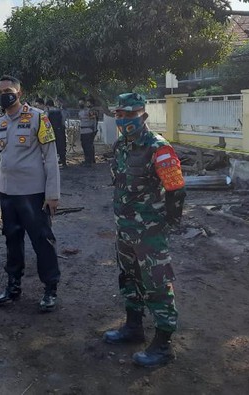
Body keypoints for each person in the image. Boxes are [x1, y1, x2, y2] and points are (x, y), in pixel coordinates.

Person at [102, 93, 185, 367]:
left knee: (158, 285)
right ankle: (133, 327)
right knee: (129, 279)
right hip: (124, 229)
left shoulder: (158, 147)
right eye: (120, 114)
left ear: (143, 115)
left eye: (129, 114)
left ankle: (163, 344)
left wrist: (168, 222)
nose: (124, 119)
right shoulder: (121, 146)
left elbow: (176, 188)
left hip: (149, 233)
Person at [0, 75, 61, 312]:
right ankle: (13, 287)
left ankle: (50, 289)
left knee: (42, 242)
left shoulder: (38, 118)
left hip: (33, 194)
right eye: (0, 92)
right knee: (12, 242)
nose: (3, 95)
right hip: (8, 194)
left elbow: (50, 158)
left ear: (20, 93)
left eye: (8, 90)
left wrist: (52, 194)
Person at [46, 99, 67, 167]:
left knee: (53, 147)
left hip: (52, 131)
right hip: (60, 130)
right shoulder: (59, 111)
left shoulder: (48, 112)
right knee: (61, 146)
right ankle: (63, 161)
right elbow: (63, 120)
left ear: (48, 106)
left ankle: (55, 162)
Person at [78, 98, 97, 166]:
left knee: (88, 146)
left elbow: (93, 120)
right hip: (82, 131)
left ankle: (89, 161)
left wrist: (94, 130)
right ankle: (87, 160)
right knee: (84, 146)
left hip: (88, 131)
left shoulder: (89, 111)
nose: (80, 104)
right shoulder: (80, 112)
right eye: (79, 103)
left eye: (82, 103)